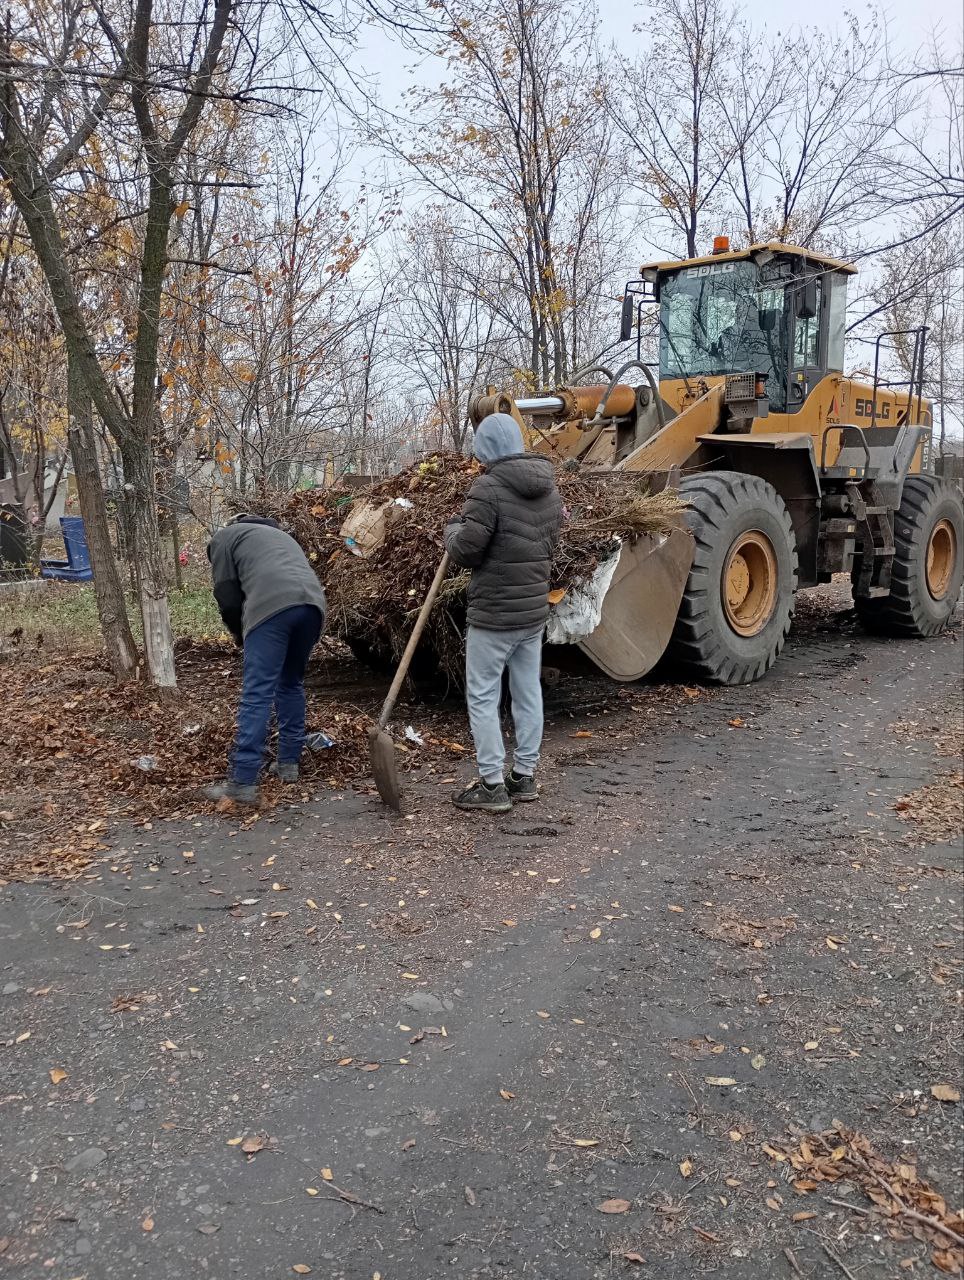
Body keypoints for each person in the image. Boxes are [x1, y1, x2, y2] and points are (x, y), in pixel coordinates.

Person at [444, 413, 563, 813]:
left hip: (494, 614)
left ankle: (492, 785)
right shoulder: (549, 489)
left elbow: (467, 551)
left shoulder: (488, 487)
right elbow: (548, 544)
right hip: (532, 612)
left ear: (486, 447)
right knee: (527, 693)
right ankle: (523, 777)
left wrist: (451, 531)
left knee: (483, 696)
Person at [203, 515, 327, 805]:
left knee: (257, 692)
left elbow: (228, 595)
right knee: (290, 682)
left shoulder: (225, 537)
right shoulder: (283, 538)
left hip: (272, 606)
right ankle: (288, 764)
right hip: (313, 606)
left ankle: (243, 781)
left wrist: (238, 634)